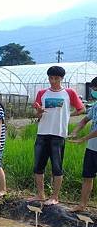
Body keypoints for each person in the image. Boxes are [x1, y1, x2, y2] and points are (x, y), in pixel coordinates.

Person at [29, 66, 85, 205]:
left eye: (56, 78)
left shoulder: (69, 93)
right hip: (42, 133)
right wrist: (40, 111)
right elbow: (36, 114)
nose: (53, 81)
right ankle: (41, 194)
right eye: (51, 78)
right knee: (38, 166)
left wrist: (67, 114)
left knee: (57, 167)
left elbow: (81, 109)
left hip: (58, 134)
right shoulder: (42, 93)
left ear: (61, 78)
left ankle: (55, 196)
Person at [68, 77, 97, 212]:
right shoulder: (95, 107)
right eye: (93, 89)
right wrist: (74, 132)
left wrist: (83, 139)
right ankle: (82, 205)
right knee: (87, 177)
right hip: (92, 149)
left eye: (95, 89)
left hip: (91, 143)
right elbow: (84, 120)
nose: (93, 92)